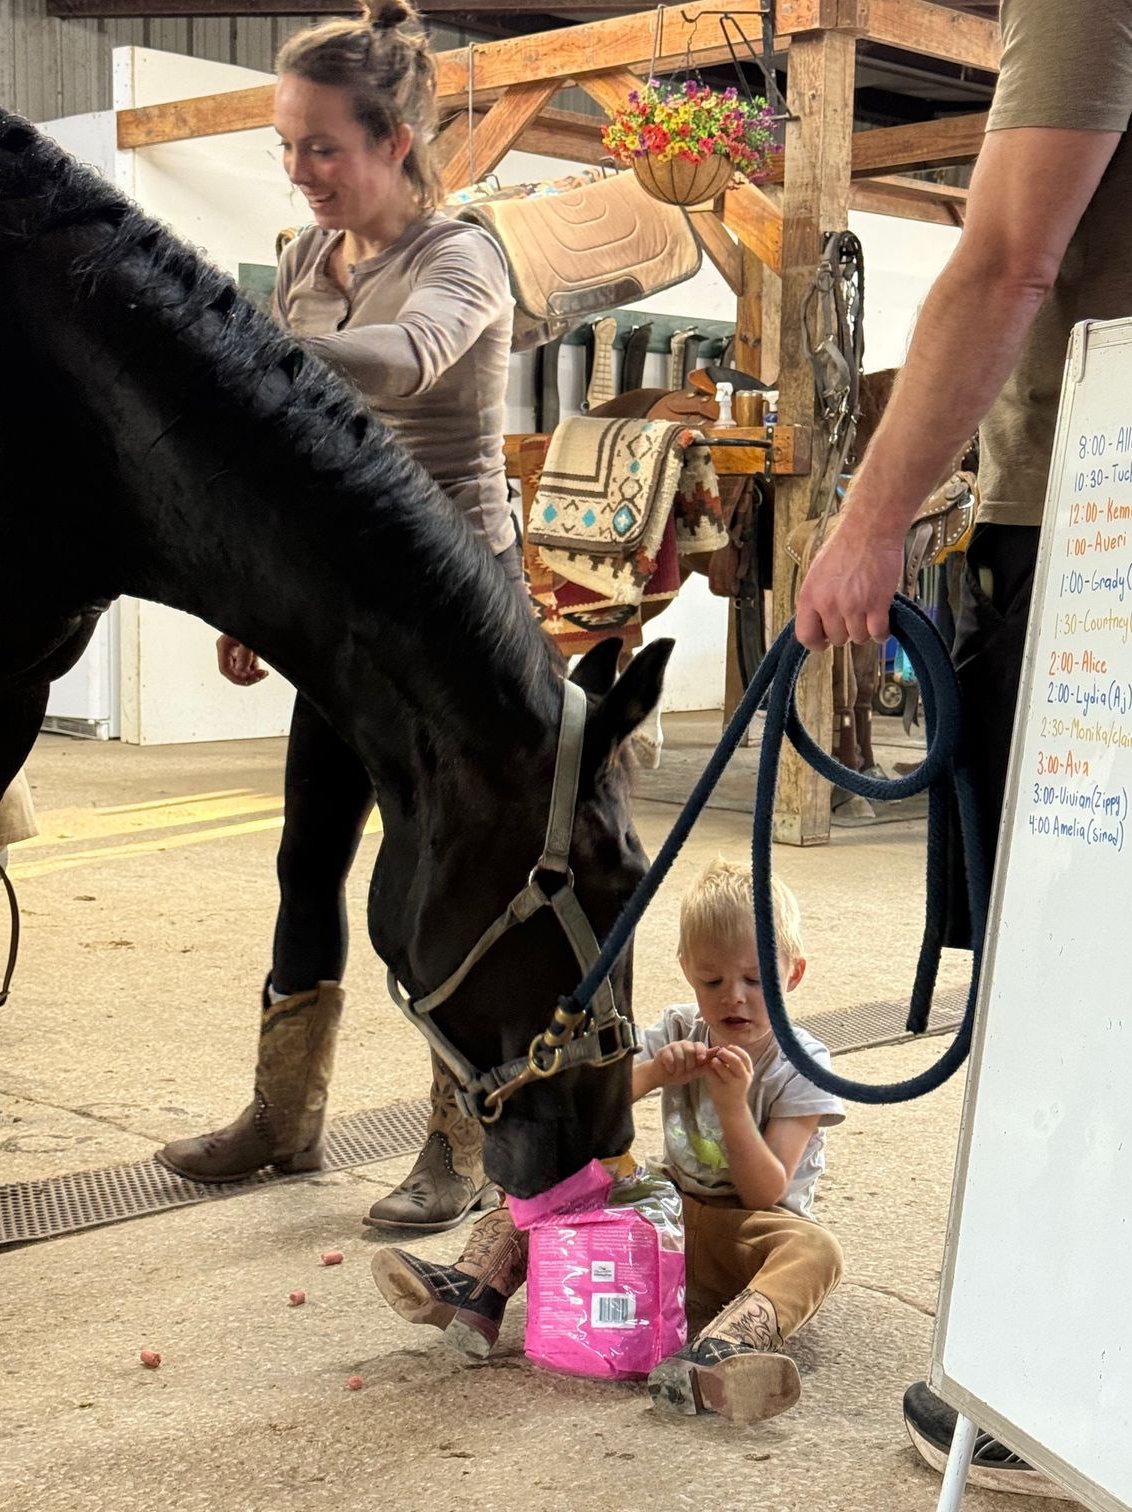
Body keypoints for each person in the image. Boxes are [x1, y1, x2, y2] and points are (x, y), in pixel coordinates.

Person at [794, 0, 1132, 1492]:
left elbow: (1006, 254)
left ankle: (1048, 1371)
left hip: (1091, 515)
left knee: (1065, 971)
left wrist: (867, 523)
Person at [156, 0, 523, 1233]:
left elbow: (410, 359)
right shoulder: (310, 264)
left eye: (323, 145)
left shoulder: (464, 257)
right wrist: (253, 591)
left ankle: (459, 1139)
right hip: (342, 601)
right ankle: (283, 1115)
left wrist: (233, 351)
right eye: (287, 144)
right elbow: (284, 452)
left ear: (396, 140)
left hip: (455, 609)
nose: (301, 169)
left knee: (442, 874)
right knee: (309, 854)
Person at [371, 859, 845, 1426]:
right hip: (666, 1216)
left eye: (755, 979)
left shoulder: (803, 1064)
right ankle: (475, 1288)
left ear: (793, 974)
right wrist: (654, 1073)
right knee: (559, 1183)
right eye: (712, 981)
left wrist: (731, 1107)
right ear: (687, 970)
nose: (733, 998)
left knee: (817, 1251)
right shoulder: (678, 1027)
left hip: (747, 1237)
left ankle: (722, 1351)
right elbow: (600, 1107)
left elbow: (765, 1192)